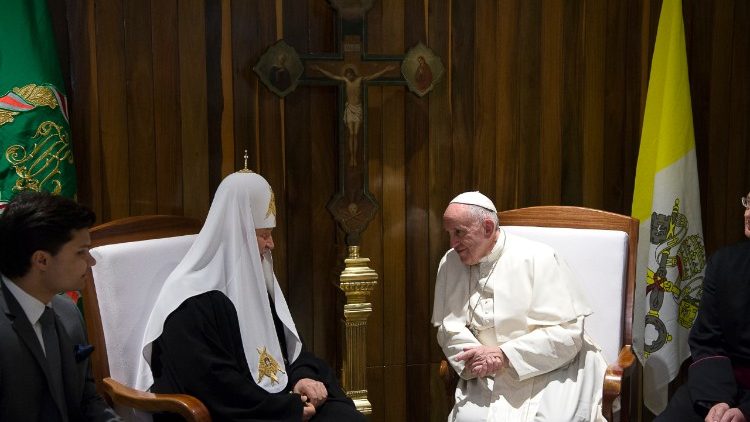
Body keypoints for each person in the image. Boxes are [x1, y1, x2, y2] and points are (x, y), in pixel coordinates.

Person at [136, 170, 365, 422]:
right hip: (235, 413)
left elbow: (289, 351)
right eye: (264, 235)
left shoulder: (255, 285)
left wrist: (302, 377)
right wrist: (287, 409)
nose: (271, 245)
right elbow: (215, 385)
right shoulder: (189, 301)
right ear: (239, 233)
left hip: (275, 403)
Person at [432, 191, 607, 421]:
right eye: (449, 233)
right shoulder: (450, 263)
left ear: (487, 227)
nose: (453, 243)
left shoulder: (539, 257)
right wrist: (478, 360)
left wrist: (506, 355)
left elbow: (569, 335)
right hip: (485, 374)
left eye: (459, 233)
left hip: (551, 370)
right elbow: (448, 327)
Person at [0, 191, 121, 422]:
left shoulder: (68, 313)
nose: (92, 261)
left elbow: (87, 401)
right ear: (41, 260)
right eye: (80, 252)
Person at [656, 192, 750, 422]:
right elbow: (706, 340)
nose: (747, 213)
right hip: (720, 385)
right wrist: (717, 401)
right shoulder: (724, 264)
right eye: (748, 202)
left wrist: (746, 411)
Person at [313, 64, 395, 167]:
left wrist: (385, 70)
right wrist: (320, 69)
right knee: (351, 134)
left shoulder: (359, 80)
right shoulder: (345, 81)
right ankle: (352, 157)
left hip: (358, 109)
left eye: (350, 75)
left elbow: (373, 76)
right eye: (347, 75)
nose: (349, 77)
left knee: (355, 134)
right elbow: (332, 76)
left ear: (353, 74)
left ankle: (354, 158)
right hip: (349, 109)